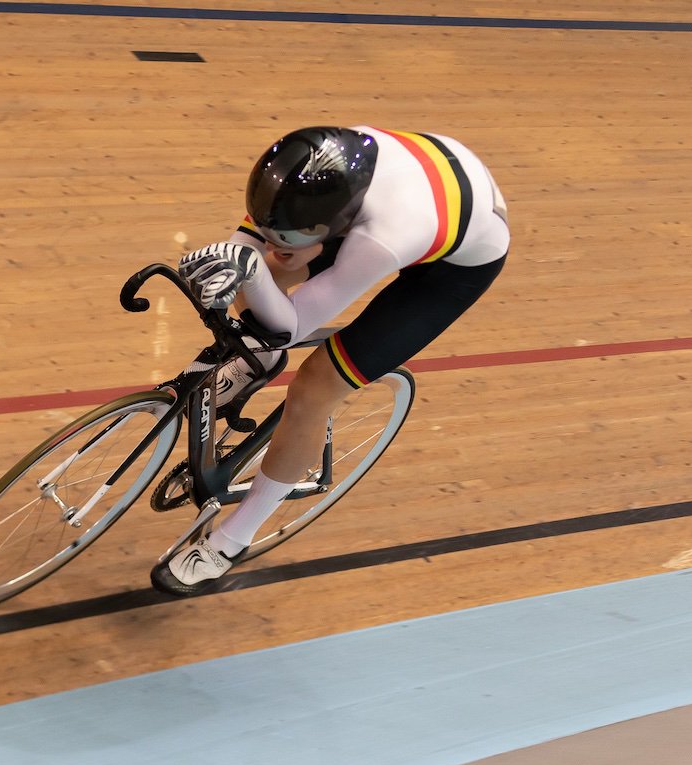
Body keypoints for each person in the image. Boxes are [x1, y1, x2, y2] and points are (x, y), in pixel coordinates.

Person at [150, 125, 511, 596]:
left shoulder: (381, 238)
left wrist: (253, 274)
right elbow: (253, 245)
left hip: (451, 269)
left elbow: (292, 326)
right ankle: (260, 361)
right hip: (419, 200)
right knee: (266, 272)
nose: (275, 240)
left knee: (313, 388)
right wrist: (245, 262)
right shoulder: (300, 174)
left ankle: (231, 541)